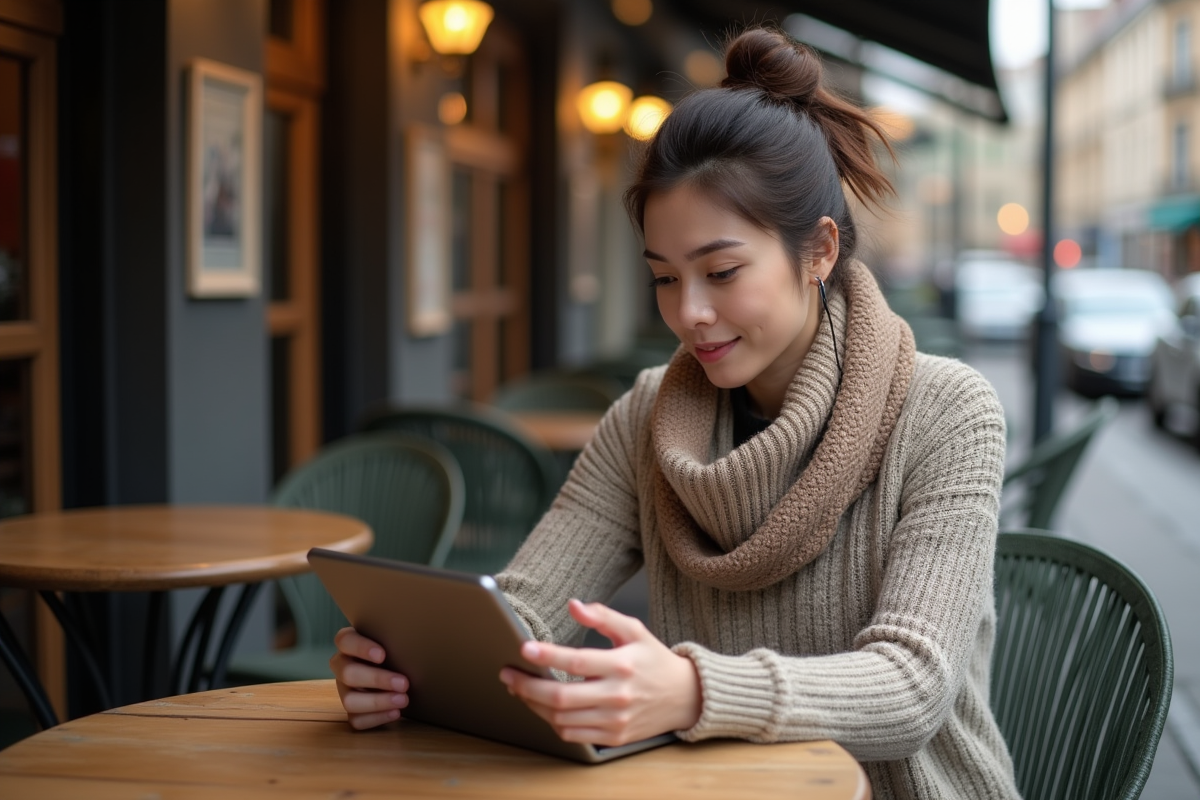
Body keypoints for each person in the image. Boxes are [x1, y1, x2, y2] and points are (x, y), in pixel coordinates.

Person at [332, 25, 1019, 799]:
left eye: (721, 271)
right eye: (664, 278)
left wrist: (693, 692)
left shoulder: (946, 412)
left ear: (820, 251)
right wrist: (412, 671)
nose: (690, 313)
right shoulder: (647, 416)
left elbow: (912, 688)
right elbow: (529, 611)